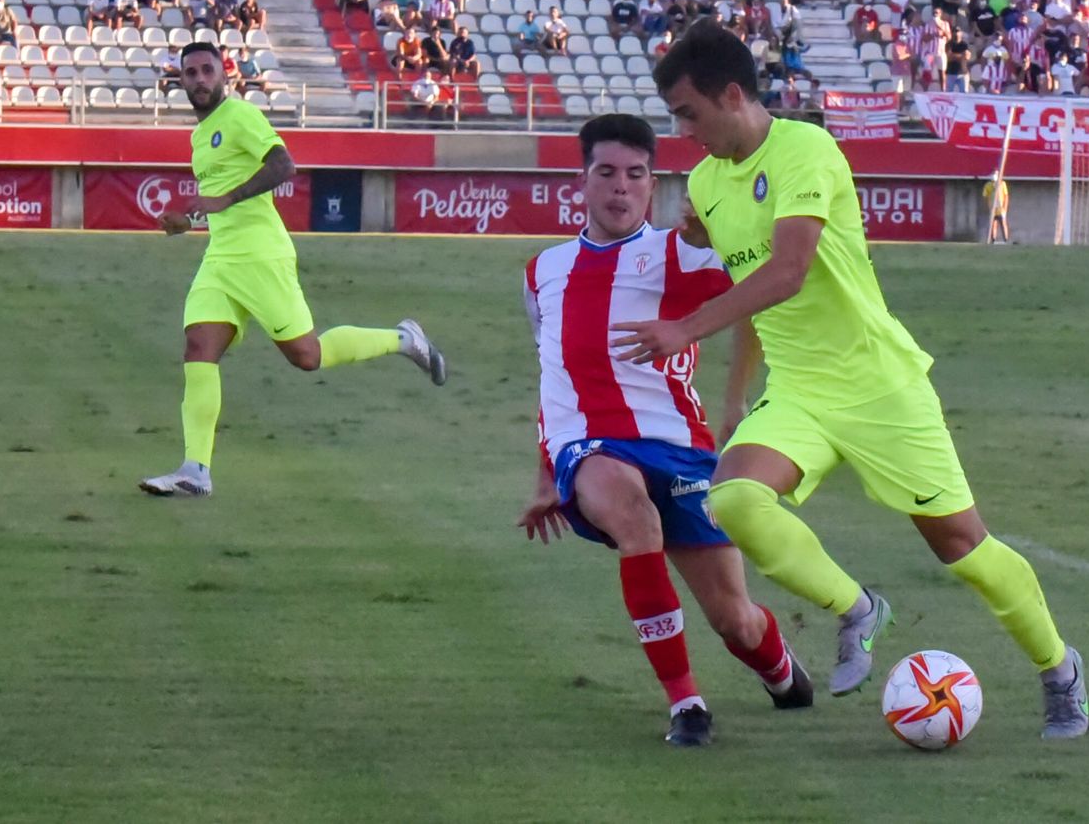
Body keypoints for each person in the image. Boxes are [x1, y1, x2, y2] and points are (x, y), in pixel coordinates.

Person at [624, 21, 1089, 739]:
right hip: (801, 390)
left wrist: (686, 330)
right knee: (737, 499)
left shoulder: (805, 149)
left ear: (731, 94)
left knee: (962, 548)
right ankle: (857, 609)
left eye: (688, 113)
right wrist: (734, 396)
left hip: (879, 384)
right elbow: (754, 291)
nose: (682, 131)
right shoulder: (709, 183)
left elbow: (788, 271)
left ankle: (1059, 668)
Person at [519, 114, 814, 748]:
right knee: (634, 518)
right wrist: (547, 470)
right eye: (606, 173)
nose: (620, 188)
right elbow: (553, 375)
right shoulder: (543, 271)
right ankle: (686, 704)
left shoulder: (682, 254)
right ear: (582, 181)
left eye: (635, 175)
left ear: (653, 185)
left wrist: (735, 400)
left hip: (680, 448)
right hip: (591, 449)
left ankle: (782, 672)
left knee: (735, 620)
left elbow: (760, 302)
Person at [139, 42, 446, 498]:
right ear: (179, 81)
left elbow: (284, 165)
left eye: (207, 71)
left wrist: (222, 200)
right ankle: (195, 470)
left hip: (261, 255)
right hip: (222, 258)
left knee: (308, 356)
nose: (199, 80)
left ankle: (404, 340)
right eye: (190, 73)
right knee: (198, 348)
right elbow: (221, 194)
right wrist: (192, 219)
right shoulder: (201, 135)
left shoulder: (240, 116)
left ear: (224, 74)